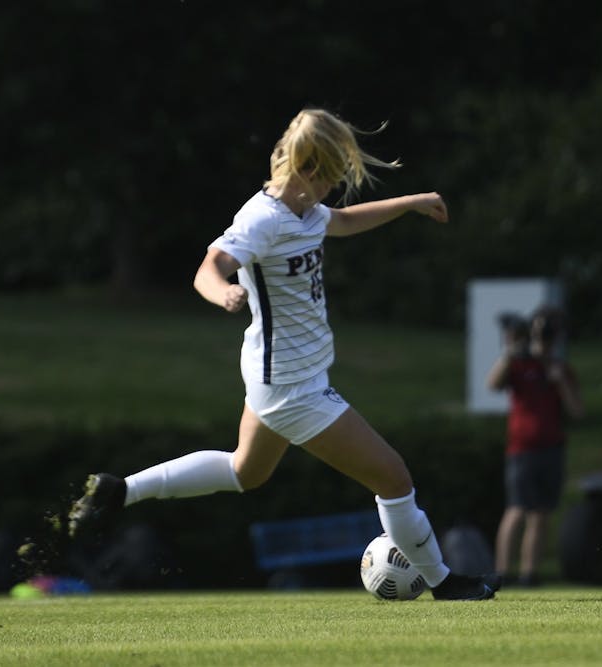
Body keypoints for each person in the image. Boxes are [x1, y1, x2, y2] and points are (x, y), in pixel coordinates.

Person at [67, 108, 501, 600]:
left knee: (244, 472)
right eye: (335, 175)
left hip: (278, 376)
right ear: (313, 169)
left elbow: (340, 221)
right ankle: (444, 582)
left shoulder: (307, 211)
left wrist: (411, 202)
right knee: (394, 478)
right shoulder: (263, 218)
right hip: (293, 387)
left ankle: (120, 489)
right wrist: (222, 292)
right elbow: (210, 266)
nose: (336, 186)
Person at [486, 306, 583, 586]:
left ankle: (530, 574)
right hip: (522, 449)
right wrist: (511, 352)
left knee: (540, 514)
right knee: (517, 509)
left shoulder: (561, 369)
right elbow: (492, 383)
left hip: (551, 448)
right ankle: (501, 573)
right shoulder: (518, 364)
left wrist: (560, 382)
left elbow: (577, 412)